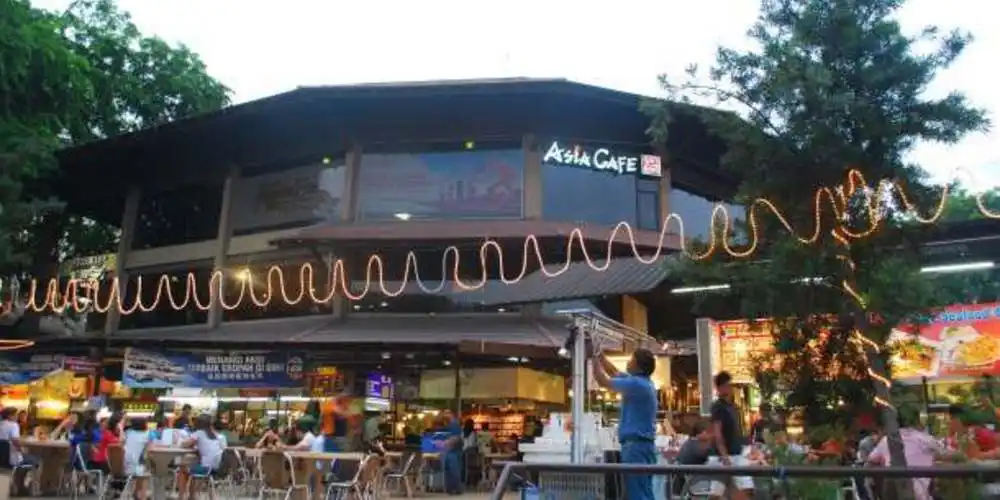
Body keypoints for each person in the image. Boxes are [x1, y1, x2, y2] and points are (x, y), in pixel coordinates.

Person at [592, 346, 658, 500]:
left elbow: (602, 380)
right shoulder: (644, 383)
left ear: (638, 365)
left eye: (631, 359)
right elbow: (614, 372)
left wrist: (593, 358)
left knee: (637, 494)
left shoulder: (637, 385)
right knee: (644, 490)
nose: (628, 363)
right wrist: (600, 355)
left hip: (635, 446)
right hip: (642, 446)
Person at [866, 407, 941, 500]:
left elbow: (870, 463)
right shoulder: (926, 440)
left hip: (893, 493)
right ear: (917, 421)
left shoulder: (887, 440)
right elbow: (945, 454)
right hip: (918, 495)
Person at [709, 371, 752, 500]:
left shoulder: (733, 407)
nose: (729, 388)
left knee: (746, 489)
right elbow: (717, 431)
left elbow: (737, 430)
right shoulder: (718, 407)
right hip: (724, 456)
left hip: (736, 453)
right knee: (717, 493)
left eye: (729, 385)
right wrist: (724, 455)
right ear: (719, 387)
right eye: (726, 385)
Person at [0, 407, 37, 494]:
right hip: (10, 458)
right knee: (36, 461)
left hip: (2, 458)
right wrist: (22, 450)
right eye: (16, 415)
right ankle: (32, 489)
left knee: (23, 463)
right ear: (10, 416)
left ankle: (16, 485)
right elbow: (16, 442)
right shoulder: (13, 425)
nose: (17, 417)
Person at [123, 417, 153, 500]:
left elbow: (122, 443)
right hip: (135, 468)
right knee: (145, 471)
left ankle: (136, 493)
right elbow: (149, 451)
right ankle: (142, 496)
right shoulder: (147, 434)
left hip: (123, 465)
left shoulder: (128, 432)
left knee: (141, 467)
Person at [435, 410, 464, 495]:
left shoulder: (454, 424)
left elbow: (455, 438)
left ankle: (455, 488)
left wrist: (444, 444)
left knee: (453, 470)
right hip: (451, 451)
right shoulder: (449, 425)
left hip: (453, 451)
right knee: (450, 470)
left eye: (446, 413)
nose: (444, 415)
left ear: (451, 414)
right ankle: (451, 489)